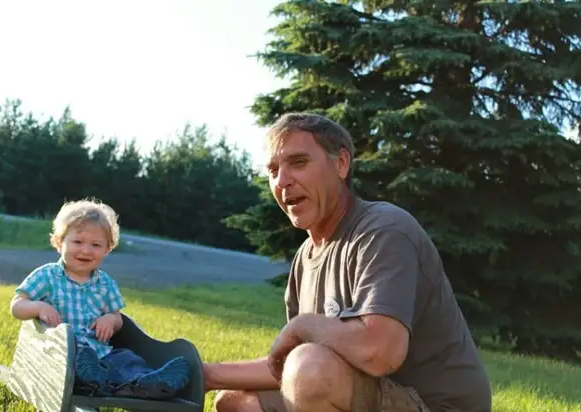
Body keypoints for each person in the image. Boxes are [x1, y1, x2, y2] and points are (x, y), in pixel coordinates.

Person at [203, 113, 492, 412]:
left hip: (434, 405)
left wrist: (303, 325)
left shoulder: (384, 230)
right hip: (365, 391)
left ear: (341, 164)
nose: (283, 181)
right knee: (235, 402)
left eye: (299, 163)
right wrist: (207, 375)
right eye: (273, 170)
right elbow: (288, 368)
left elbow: (380, 352)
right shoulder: (306, 257)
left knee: (311, 368)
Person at [10, 199, 190, 397]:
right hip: (60, 352)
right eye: (77, 242)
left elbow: (117, 317)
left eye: (96, 245)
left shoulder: (105, 283)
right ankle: (89, 379)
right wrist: (37, 307)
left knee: (126, 359)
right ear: (59, 242)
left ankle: (147, 382)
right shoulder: (46, 276)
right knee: (79, 356)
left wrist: (110, 320)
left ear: (107, 249)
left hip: (101, 352)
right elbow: (17, 306)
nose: (86, 250)